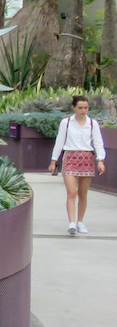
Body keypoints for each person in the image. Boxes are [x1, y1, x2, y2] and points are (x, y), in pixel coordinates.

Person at [48, 95, 108, 235]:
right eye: (80, 108)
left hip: (87, 158)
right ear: (74, 107)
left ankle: (80, 221)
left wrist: (100, 160)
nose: (83, 110)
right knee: (72, 192)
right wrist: (53, 161)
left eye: (85, 108)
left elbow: (98, 143)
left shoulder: (92, 124)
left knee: (82, 193)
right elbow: (60, 141)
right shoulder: (66, 123)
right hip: (70, 157)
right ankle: (72, 223)